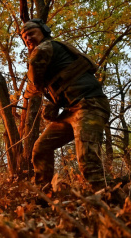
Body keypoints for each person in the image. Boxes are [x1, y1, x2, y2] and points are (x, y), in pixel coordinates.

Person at [22, 19, 110, 191]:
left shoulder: (45, 48)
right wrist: (54, 105)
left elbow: (33, 83)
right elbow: (60, 86)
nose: (28, 39)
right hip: (72, 111)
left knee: (88, 162)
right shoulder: (50, 56)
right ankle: (43, 196)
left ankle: (113, 205)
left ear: (44, 31)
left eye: (31, 33)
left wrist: (26, 95)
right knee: (41, 147)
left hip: (90, 106)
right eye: (25, 37)